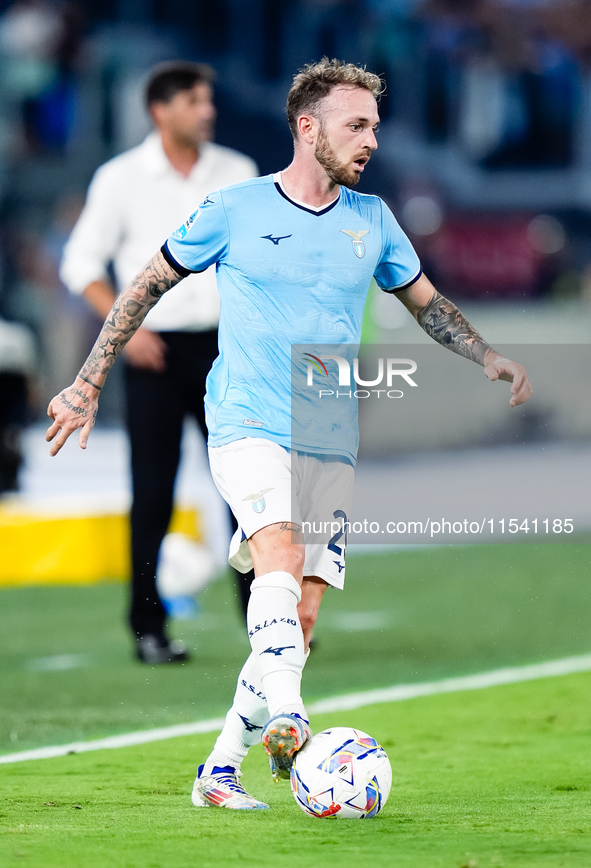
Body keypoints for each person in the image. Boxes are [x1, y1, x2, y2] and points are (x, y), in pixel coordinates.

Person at [46, 58, 532, 808]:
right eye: (356, 124)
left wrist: (486, 354)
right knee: (273, 546)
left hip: (328, 430)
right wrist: (86, 381)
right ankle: (290, 716)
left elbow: (426, 304)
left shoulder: (372, 221)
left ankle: (218, 769)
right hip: (246, 417)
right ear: (308, 128)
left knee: (301, 613)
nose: (371, 139)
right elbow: (144, 284)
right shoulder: (233, 207)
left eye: (374, 125)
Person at [59, 61, 258, 665]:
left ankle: (267, 627)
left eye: (208, 100)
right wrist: (131, 327)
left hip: (224, 349)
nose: (208, 111)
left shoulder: (238, 172)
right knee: (153, 494)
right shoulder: (120, 179)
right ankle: (148, 628)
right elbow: (81, 265)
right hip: (152, 351)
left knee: (249, 492)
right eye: (195, 101)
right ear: (160, 111)